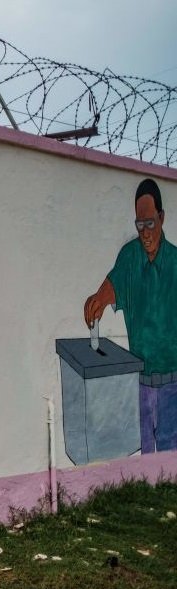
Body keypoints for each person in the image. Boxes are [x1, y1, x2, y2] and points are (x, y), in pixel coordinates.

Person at [84, 177, 177, 453]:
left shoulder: (175, 262)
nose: (145, 233)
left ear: (162, 218)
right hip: (141, 386)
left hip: (174, 385)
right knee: (144, 462)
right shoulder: (129, 257)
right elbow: (111, 287)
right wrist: (97, 300)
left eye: (150, 223)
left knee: (171, 462)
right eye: (140, 225)